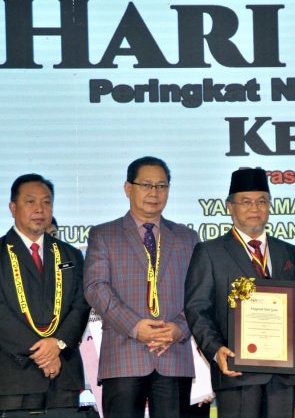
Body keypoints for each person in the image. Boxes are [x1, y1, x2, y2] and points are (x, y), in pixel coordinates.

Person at [184, 167, 295, 418]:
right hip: (236, 369)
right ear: (230, 207)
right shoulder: (209, 252)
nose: (255, 208)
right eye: (246, 202)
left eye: (262, 201)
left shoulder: (287, 251)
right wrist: (215, 349)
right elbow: (197, 308)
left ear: (270, 206)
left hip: (283, 373)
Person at [84, 156, 199, 418]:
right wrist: (135, 327)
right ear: (128, 188)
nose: (154, 193)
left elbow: (199, 294)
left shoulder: (187, 238)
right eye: (146, 185)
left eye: (161, 186)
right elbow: (95, 287)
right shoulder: (104, 235)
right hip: (124, 356)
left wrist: (180, 328)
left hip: (173, 355)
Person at [0, 174, 90, 416]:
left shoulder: (71, 255)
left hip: (64, 373)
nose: (40, 209)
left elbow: (81, 305)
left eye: (47, 202)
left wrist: (57, 344)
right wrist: (42, 354)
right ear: (13, 207)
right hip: (14, 376)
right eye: (30, 202)